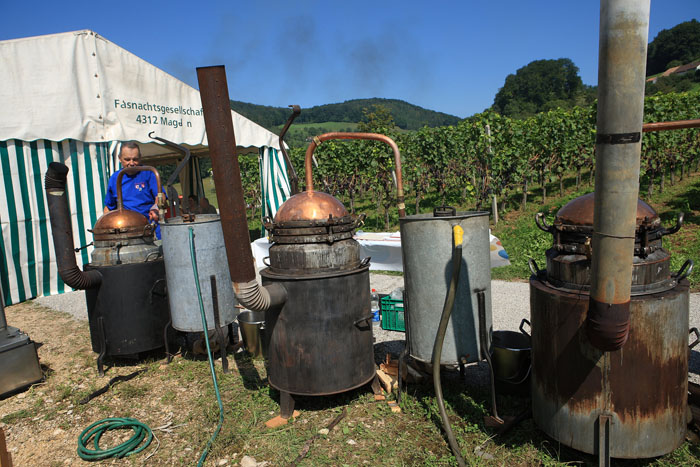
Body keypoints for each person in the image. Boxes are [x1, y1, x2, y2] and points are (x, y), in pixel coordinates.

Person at [103, 142, 165, 239]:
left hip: (150, 229)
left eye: (135, 159)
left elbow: (161, 196)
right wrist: (105, 227)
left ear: (140, 158)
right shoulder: (115, 178)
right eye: (127, 159)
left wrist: (156, 207)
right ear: (119, 158)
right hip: (127, 232)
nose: (131, 163)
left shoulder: (149, 173)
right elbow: (109, 207)